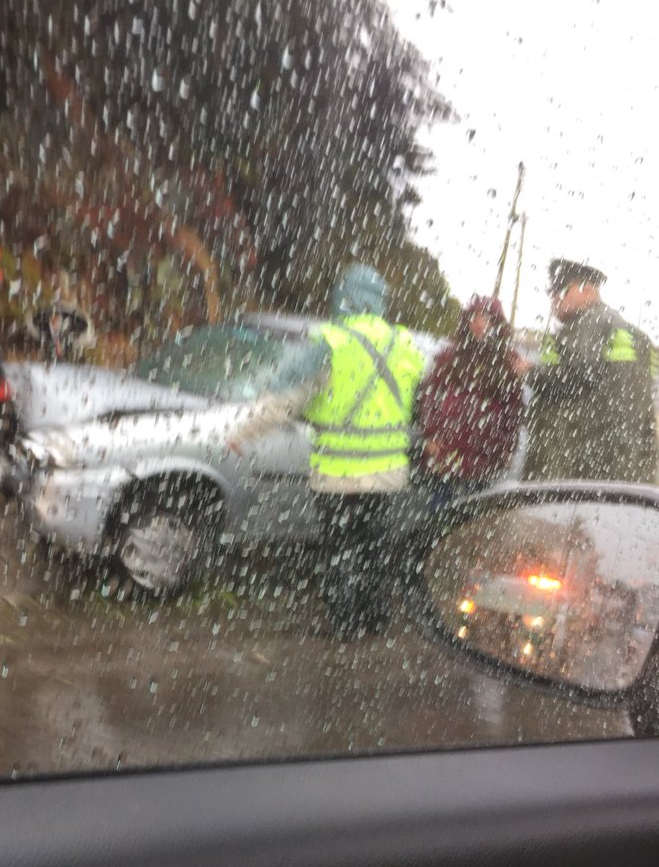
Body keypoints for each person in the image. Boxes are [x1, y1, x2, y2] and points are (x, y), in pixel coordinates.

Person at [230, 263, 425, 636]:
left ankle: (345, 623)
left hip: (339, 473)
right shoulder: (403, 343)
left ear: (344, 297)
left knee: (341, 549)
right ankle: (376, 618)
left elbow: (288, 399)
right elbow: (420, 400)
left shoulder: (331, 342)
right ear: (380, 301)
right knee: (374, 546)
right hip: (386, 473)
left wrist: (243, 432)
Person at [522, 258, 658, 483]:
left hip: (584, 478)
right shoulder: (633, 332)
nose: (553, 297)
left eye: (560, 289)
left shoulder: (587, 324)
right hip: (630, 474)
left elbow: (577, 378)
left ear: (586, 288)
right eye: (551, 291)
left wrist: (528, 371)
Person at [413, 295, 524, 507]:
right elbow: (430, 396)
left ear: (497, 323)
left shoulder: (507, 360)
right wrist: (429, 435)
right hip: (446, 454)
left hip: (484, 456)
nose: (479, 323)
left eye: (487, 318)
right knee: (438, 517)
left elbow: (513, 408)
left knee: (476, 521)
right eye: (474, 316)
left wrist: (508, 447)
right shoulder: (449, 355)